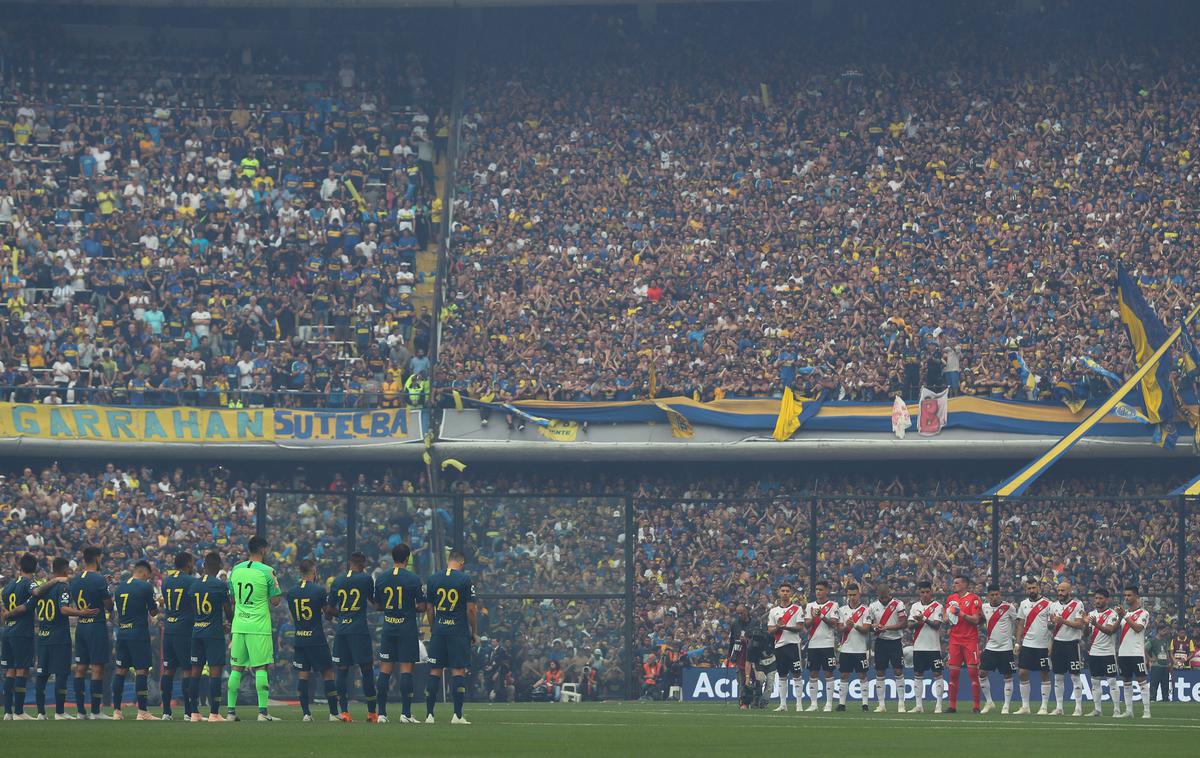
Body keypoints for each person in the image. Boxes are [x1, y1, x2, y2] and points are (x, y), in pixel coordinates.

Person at [227, 536, 282, 722]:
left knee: (236, 668)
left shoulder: (236, 569)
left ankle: (230, 712)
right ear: (264, 550)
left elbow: (233, 599)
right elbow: (275, 601)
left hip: (239, 625)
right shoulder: (268, 571)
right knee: (261, 667)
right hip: (258, 626)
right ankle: (262, 713)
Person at [31, 557, 95, 719]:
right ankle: (59, 711)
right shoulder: (63, 587)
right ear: (65, 570)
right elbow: (64, 610)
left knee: (42, 674)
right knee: (61, 673)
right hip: (59, 637)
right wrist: (82, 613)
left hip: (43, 636)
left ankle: (40, 712)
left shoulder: (43, 588)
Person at [373, 543, 426, 723]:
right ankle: (406, 714)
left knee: (385, 670)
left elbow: (378, 605)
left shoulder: (381, 578)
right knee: (406, 671)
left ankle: (381, 714)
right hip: (407, 628)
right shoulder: (413, 579)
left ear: (393, 558)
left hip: (388, 628)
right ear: (407, 559)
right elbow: (421, 606)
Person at [287, 559, 345, 722]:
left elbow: (293, 618)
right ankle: (334, 713)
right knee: (328, 674)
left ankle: (306, 713)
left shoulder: (291, 592)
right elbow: (327, 613)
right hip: (316, 639)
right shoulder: (319, 590)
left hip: (300, 639)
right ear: (314, 572)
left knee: (303, 675)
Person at [424, 549, 477, 724]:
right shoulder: (464, 579)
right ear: (461, 563)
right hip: (458, 631)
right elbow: (471, 609)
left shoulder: (433, 579)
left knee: (434, 671)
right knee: (458, 670)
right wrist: (473, 631)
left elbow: (429, 608)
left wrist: (434, 628)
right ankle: (457, 716)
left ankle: (429, 715)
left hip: (439, 630)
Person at [328, 552, 378, 722]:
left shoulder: (338, 580)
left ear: (349, 563)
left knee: (341, 671)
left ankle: (345, 712)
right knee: (366, 670)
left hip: (342, 631)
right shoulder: (365, 579)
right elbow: (374, 602)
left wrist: (341, 614)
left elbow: (329, 610)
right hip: (359, 630)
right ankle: (372, 713)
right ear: (363, 564)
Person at [68, 546, 113, 719]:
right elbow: (108, 605)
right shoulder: (99, 579)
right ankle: (95, 711)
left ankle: (80, 711)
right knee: (97, 668)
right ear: (96, 558)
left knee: (80, 668)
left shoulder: (76, 579)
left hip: (81, 627)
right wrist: (107, 589)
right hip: (96, 626)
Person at [112, 559, 158, 720]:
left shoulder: (120, 587)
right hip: (138, 633)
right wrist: (158, 603)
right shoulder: (145, 586)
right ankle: (142, 711)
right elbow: (153, 612)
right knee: (141, 671)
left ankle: (117, 711)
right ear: (145, 573)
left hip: (123, 632)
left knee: (120, 671)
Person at [190, 552, 232, 722]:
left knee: (195, 672)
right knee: (215, 673)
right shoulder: (220, 585)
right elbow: (228, 612)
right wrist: (228, 624)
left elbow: (193, 610)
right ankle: (214, 713)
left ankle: (194, 713)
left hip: (197, 631)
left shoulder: (194, 585)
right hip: (214, 633)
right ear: (219, 566)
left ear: (204, 566)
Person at [160, 552, 197, 721]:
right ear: (188, 563)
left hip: (168, 629)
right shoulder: (190, 581)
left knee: (168, 670)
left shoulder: (166, 582)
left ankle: (166, 711)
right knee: (187, 670)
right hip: (184, 630)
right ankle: (188, 712)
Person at [2, 554, 40, 720]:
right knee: (21, 670)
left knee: (10, 670)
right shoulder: (28, 583)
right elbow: (36, 592)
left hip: (7, 631)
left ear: (20, 567)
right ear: (35, 567)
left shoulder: (9, 585)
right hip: (22, 632)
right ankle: (19, 711)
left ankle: (8, 712)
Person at [944, 574, 983, 714]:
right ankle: (952, 706)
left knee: (973, 672)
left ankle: (976, 706)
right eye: (953, 583)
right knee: (953, 673)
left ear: (965, 585)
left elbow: (976, 620)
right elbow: (946, 617)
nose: (953, 585)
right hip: (955, 640)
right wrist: (948, 616)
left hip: (970, 640)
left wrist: (960, 614)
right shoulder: (951, 599)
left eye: (956, 583)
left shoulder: (974, 599)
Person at [1047, 581, 1086, 716]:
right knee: (1058, 677)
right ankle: (1059, 708)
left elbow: (1079, 624)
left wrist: (1062, 621)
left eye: (1063, 590)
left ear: (1070, 591)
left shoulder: (1077, 604)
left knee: (1075, 676)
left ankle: (1078, 707)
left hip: (1072, 644)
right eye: (1058, 590)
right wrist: (1052, 624)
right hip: (1058, 644)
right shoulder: (1053, 606)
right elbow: (1050, 626)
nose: (1060, 593)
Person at [868, 581, 907, 713]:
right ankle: (881, 704)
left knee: (898, 671)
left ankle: (901, 703)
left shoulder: (898, 604)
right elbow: (869, 623)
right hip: (881, 642)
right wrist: (875, 626)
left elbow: (903, 623)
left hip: (895, 641)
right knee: (879, 672)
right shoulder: (873, 606)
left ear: (889, 593)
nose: (883, 599)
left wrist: (887, 627)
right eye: (881, 596)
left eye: (885, 596)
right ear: (878, 594)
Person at [908, 580, 946, 714]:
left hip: (933, 647)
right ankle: (919, 705)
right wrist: (918, 621)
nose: (925, 594)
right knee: (918, 674)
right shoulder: (915, 606)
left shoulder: (937, 606)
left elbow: (937, 625)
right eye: (922, 592)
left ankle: (939, 705)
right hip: (918, 647)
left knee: (937, 674)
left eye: (927, 592)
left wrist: (923, 619)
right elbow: (910, 625)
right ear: (919, 592)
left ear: (931, 592)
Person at [1015, 578, 1053, 715]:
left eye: (1033, 588)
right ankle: (1025, 706)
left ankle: (1044, 707)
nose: (1031, 590)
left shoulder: (1048, 604)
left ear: (1038, 588)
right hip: (1027, 645)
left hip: (1043, 645)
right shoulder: (1023, 604)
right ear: (1026, 589)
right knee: (1022, 673)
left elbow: (1052, 626)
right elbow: (1020, 624)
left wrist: (1050, 643)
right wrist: (1018, 642)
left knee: (1044, 674)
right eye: (1029, 588)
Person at [765, 582, 804, 712]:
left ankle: (799, 704)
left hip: (793, 645)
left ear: (791, 592)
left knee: (797, 674)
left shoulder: (797, 609)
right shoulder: (773, 611)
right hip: (779, 646)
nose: (785, 593)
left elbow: (800, 627)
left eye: (787, 591)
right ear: (779, 592)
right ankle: (783, 704)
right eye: (783, 591)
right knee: (782, 675)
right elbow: (770, 630)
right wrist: (778, 626)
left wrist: (785, 626)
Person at [979, 584, 1017, 714]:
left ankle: (1006, 705)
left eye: (997, 594)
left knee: (1007, 676)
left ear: (1000, 594)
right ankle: (989, 702)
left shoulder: (1008, 608)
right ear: (988, 596)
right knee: (982, 673)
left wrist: (1015, 640)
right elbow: (979, 620)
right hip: (990, 647)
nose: (995, 597)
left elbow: (1016, 623)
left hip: (1006, 648)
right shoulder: (984, 607)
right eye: (992, 595)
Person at [1114, 584, 1151, 719]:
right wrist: (1120, 617)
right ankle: (1129, 711)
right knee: (1126, 681)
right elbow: (1115, 629)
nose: (1126, 598)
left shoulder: (1143, 613)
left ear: (1136, 596)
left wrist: (1125, 616)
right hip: (1123, 652)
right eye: (1125, 595)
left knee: (1141, 680)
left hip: (1136, 652)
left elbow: (1138, 628)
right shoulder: (1126, 614)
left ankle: (1146, 711)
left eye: (1129, 595)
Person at [1083, 588, 1122, 717]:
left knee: (1111, 681)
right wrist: (1086, 625)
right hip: (1094, 653)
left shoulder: (1112, 614)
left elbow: (1110, 631)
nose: (1098, 601)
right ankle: (1097, 710)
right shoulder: (1092, 613)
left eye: (1100, 598)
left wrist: (1096, 623)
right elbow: (1086, 634)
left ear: (1107, 599)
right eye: (1096, 598)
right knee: (1095, 682)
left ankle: (1116, 709)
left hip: (1108, 653)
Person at [803, 580, 839, 712]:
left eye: (821, 589)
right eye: (817, 589)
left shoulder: (833, 605)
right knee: (813, 673)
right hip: (813, 644)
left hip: (827, 644)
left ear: (827, 591)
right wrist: (813, 618)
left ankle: (829, 703)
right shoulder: (810, 606)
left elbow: (834, 623)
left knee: (828, 673)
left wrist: (822, 616)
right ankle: (813, 704)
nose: (818, 592)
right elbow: (806, 625)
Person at [834, 583, 870, 712]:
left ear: (859, 594)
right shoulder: (842, 610)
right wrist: (846, 626)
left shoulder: (865, 610)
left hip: (860, 649)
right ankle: (842, 704)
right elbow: (839, 629)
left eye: (854, 594)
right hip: (846, 648)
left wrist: (854, 625)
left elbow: (866, 629)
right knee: (844, 675)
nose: (852, 597)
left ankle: (865, 704)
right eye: (850, 595)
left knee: (862, 675)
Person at [727, 604, 756, 710]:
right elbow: (732, 641)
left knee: (756, 680)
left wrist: (747, 640)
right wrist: (729, 655)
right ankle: (743, 702)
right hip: (740, 656)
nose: (739, 615)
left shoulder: (754, 623)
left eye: (741, 612)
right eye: (738, 613)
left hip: (753, 656)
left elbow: (759, 639)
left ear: (747, 612)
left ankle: (755, 702)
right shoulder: (735, 624)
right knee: (741, 681)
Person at [1147, 632, 1172, 702]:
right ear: (1159, 630)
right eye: (1163, 631)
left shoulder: (1165, 641)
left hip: (1165, 666)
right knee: (1154, 683)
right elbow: (1144, 649)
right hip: (1156, 665)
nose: (1164, 632)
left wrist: (1169, 662)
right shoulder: (1152, 640)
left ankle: (1165, 699)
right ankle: (1152, 699)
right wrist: (1149, 659)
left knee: (1165, 684)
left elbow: (1167, 652)